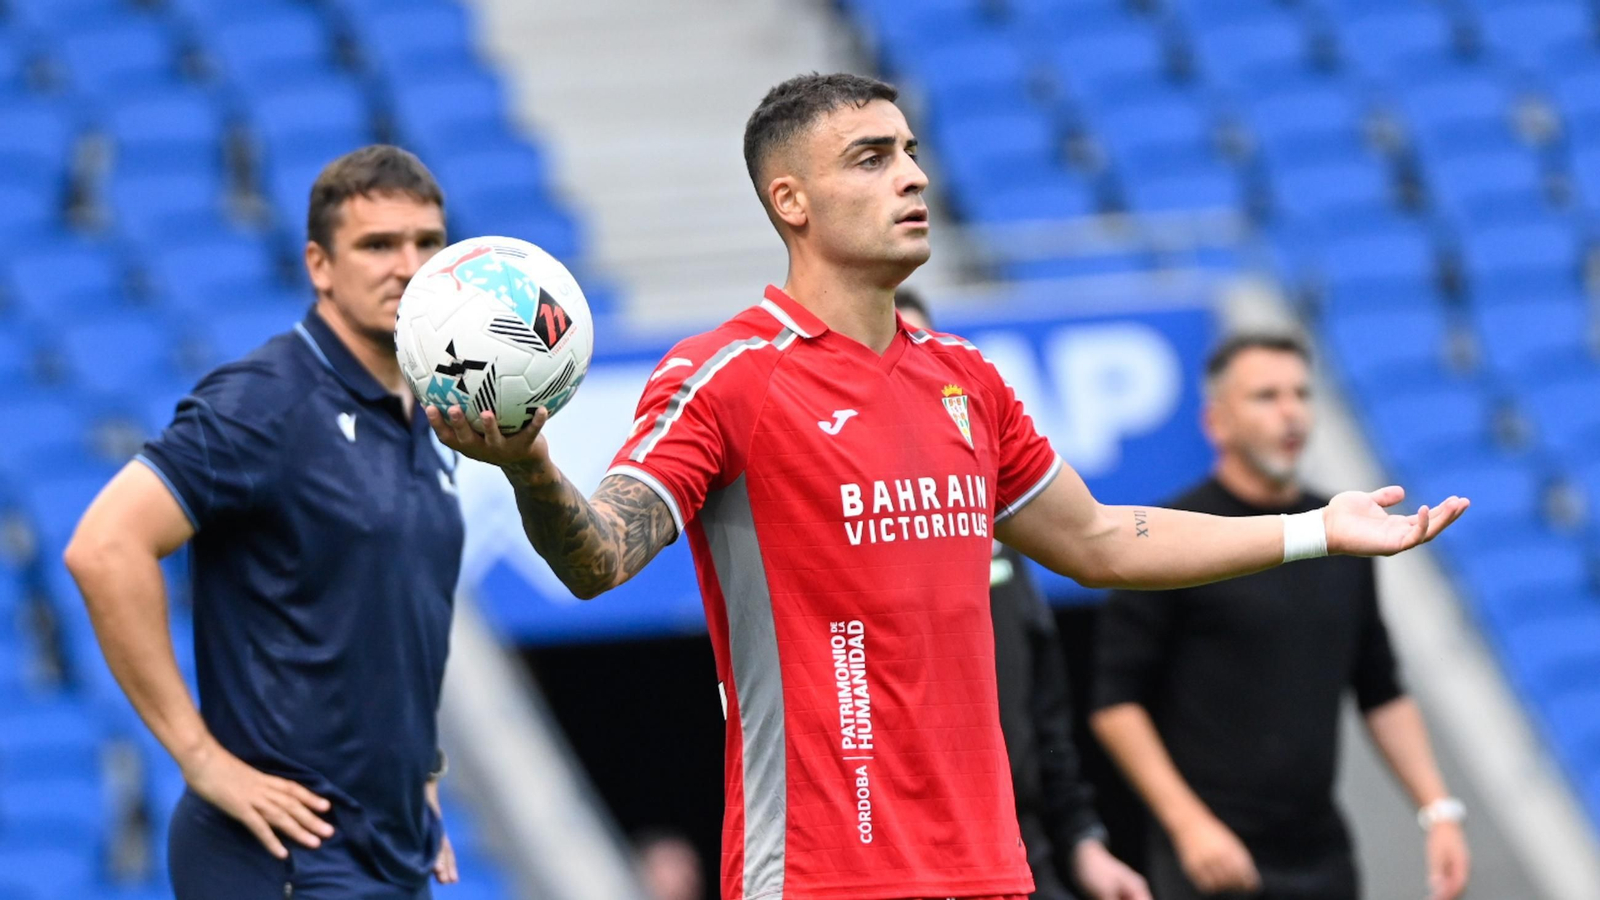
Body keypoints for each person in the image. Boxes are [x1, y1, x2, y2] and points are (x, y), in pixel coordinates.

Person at [427, 73, 1468, 900]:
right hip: (824, 874)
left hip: (988, 866)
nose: (913, 177)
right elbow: (601, 556)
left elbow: (1103, 541)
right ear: (790, 201)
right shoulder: (725, 377)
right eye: (871, 158)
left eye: (912, 152)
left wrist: (1313, 529)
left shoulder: (966, 380)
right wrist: (528, 464)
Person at [64, 145, 463, 898]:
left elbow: (389, 613)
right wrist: (199, 757)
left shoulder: (427, 411)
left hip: (386, 849)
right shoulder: (267, 401)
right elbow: (104, 546)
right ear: (320, 265)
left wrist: (421, 768)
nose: (408, 267)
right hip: (283, 856)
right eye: (378, 245)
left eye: (427, 243)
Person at [1089, 334, 1472, 900]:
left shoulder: (1346, 531)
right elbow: (1116, 704)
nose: (1291, 411)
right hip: (1213, 860)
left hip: (1319, 854)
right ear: (1217, 423)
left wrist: (1438, 809)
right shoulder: (1173, 536)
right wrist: (1188, 826)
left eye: (1301, 393)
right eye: (1266, 396)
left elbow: (1380, 687)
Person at [895, 289, 1148, 900]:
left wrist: (1082, 838)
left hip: (1018, 851)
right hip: (903, 866)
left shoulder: (993, 528)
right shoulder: (837, 535)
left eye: (924, 352)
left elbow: (1041, 701)